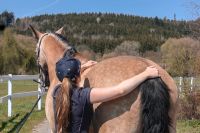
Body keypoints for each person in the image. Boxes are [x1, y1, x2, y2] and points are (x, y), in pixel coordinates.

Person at [55, 55, 159, 133]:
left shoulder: (56, 92)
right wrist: (146, 74)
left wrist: (82, 67)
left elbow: (65, 80)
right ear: (78, 75)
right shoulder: (84, 95)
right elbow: (120, 90)